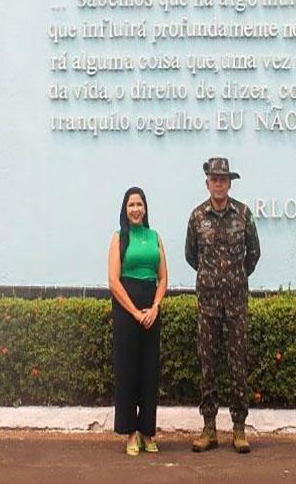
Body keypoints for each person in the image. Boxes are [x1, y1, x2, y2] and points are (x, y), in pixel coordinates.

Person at [185, 157, 261, 453]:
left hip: (236, 305)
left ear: (229, 183)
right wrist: (211, 279)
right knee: (208, 368)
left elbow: (253, 254)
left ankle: (239, 429)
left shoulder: (243, 214)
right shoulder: (196, 217)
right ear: (207, 183)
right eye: (214, 179)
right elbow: (192, 256)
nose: (219, 183)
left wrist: (235, 278)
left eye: (223, 179)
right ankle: (209, 429)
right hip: (208, 305)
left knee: (238, 366)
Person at [108, 187, 168, 456]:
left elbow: (163, 277)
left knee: (149, 371)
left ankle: (147, 432)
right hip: (126, 308)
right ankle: (130, 433)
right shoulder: (118, 238)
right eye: (131, 204)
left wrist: (155, 307)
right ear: (125, 208)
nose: (135, 209)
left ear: (145, 208)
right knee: (128, 370)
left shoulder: (155, 237)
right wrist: (134, 312)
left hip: (151, 307)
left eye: (139, 204)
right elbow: (113, 280)